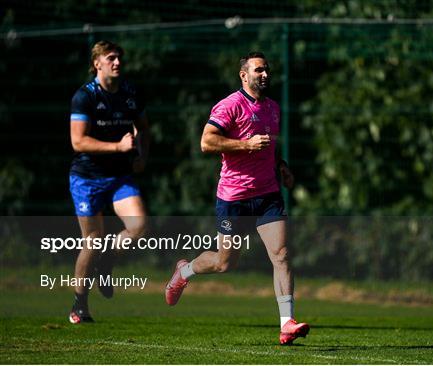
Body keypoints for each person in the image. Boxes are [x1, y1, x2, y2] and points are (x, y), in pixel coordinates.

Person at [165, 52, 309, 345]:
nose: (265, 74)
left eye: (267, 69)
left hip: (268, 193)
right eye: (258, 70)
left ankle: (286, 324)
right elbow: (207, 142)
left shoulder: (272, 108)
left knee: (281, 254)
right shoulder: (230, 105)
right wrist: (246, 144)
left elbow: (268, 147)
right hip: (234, 197)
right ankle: (185, 270)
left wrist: (281, 167)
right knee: (224, 263)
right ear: (244, 75)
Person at [68, 40, 149, 323]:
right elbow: (78, 141)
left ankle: (106, 263)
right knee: (92, 241)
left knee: (138, 227)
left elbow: (143, 127)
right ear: (97, 63)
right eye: (111, 58)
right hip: (87, 179)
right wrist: (117, 147)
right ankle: (80, 304)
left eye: (119, 58)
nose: (117, 62)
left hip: (118, 177)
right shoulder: (84, 96)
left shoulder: (129, 92)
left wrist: (141, 154)